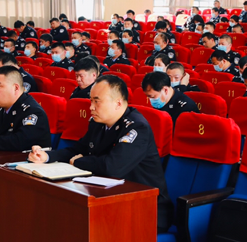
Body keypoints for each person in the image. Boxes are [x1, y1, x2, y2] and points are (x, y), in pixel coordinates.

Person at [28, 75, 173, 232]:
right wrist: (47, 156)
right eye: (91, 101)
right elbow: (78, 150)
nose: (91, 107)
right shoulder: (98, 122)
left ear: (118, 103)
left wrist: (78, 162)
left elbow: (112, 167)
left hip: (145, 208)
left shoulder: (137, 128)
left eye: (97, 101)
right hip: (109, 199)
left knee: (74, 224)